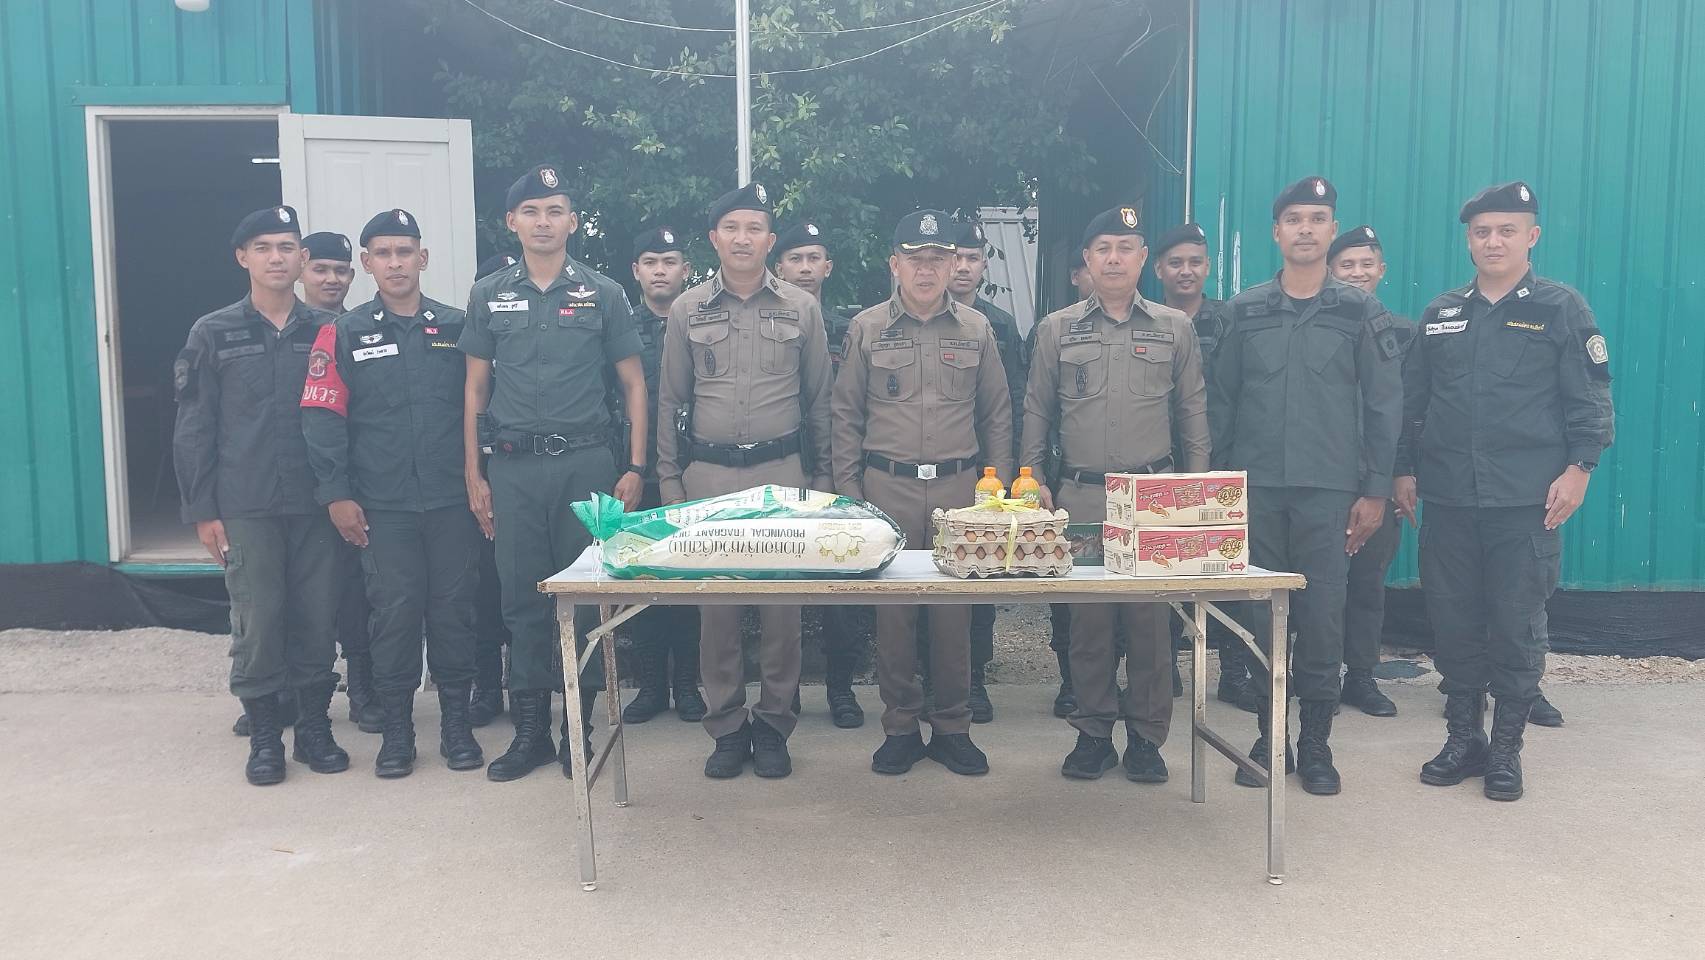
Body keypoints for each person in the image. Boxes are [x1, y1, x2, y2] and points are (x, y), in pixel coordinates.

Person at [1396, 181, 1614, 801]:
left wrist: (1581, 468)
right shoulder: (1441, 313)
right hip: (1449, 499)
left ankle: (1506, 750)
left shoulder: (1560, 308)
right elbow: (1413, 402)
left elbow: (1589, 395)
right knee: (1453, 621)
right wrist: (1402, 469)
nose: (1493, 241)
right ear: (1469, 239)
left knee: (1517, 625)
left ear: (1531, 237)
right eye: (1482, 231)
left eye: (1507, 230)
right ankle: (1464, 739)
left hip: (1526, 501)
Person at [1207, 177, 1403, 796]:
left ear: (1331, 229)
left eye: (1318, 219)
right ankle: (1270, 736)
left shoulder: (1359, 311)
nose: (1306, 229)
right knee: (1260, 614)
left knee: (1321, 617)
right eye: (1294, 219)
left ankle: (1316, 742)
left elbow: (1383, 404)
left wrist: (1375, 490)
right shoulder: (1245, 310)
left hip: (1330, 492)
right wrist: (1219, 488)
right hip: (1258, 490)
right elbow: (1221, 404)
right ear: (1277, 231)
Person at [459, 164, 650, 782]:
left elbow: (633, 383)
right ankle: (531, 733)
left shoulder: (604, 292)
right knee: (521, 600)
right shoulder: (489, 294)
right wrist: (474, 472)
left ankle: (578, 729)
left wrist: (636, 466)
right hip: (513, 469)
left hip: (585, 466)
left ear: (572, 221)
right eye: (531, 212)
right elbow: (475, 388)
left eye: (555, 211)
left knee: (587, 599)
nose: (543, 222)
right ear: (511, 221)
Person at [1023, 205, 1207, 782]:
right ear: (1087, 258)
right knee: (1089, 626)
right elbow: (1037, 410)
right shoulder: (1057, 329)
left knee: (1151, 626)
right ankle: (1093, 732)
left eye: (1125, 248)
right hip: (1080, 494)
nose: (1113, 258)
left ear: (1143, 258)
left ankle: (1148, 739)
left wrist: (1195, 491)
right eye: (1102, 248)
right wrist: (1033, 480)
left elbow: (1192, 413)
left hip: (1153, 496)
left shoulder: (1174, 327)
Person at [657, 182, 834, 779]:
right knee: (718, 614)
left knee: (783, 613)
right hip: (709, 476)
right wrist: (670, 484)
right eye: (731, 228)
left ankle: (775, 724)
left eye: (754, 228)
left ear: (769, 239)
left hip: (782, 474)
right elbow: (669, 403)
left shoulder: (801, 309)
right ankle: (727, 728)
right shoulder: (687, 309)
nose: (742, 238)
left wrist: (824, 483)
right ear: (714, 238)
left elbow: (820, 403)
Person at [299, 209, 484, 778]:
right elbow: (322, 418)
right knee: (395, 614)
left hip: (452, 501)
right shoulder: (344, 333)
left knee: (454, 612)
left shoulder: (458, 327)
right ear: (367, 263)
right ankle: (398, 732)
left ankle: (456, 726)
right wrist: (336, 494)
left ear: (422, 258)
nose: (396, 263)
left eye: (405, 252)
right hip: (383, 506)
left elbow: (484, 406)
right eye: (383, 253)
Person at [832, 210, 1012, 777]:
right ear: (895, 264)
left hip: (961, 489)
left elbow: (997, 415)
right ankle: (901, 728)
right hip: (888, 487)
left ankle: (954, 727)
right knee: (894, 619)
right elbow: (846, 416)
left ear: (954, 264)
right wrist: (849, 496)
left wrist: (998, 495)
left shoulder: (976, 329)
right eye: (916, 259)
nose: (927, 269)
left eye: (938, 258)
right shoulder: (867, 328)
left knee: (954, 618)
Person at [173, 206, 346, 785]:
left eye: (287, 246)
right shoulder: (213, 332)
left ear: (302, 258)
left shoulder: (328, 330)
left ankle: (314, 729)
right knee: (258, 618)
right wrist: (202, 510)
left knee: (317, 616)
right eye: (264, 247)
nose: (277, 257)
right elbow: (195, 426)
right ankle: (266, 736)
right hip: (245, 503)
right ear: (242, 257)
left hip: (316, 502)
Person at [1152, 222, 1254, 712]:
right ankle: (1165, 666)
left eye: (1195, 262)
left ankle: (1233, 672)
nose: (1186, 271)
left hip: (1221, 461)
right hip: (1161, 461)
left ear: (1208, 267)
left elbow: (1241, 390)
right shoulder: (1148, 320)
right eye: (1176, 263)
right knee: (1165, 565)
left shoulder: (1229, 320)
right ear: (1159, 269)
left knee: (1225, 568)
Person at [773, 219, 867, 729]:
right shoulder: (769, 321)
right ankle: (782, 694)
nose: (805, 268)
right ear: (778, 267)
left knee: (840, 586)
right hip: (784, 463)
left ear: (828, 267)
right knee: (777, 584)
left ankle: (841, 688)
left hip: (837, 467)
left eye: (814, 259)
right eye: (795, 259)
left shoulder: (851, 327)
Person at [616, 227, 708, 726]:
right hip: (635, 474)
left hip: (692, 471)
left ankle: (688, 686)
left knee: (690, 583)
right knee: (644, 580)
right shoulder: (619, 326)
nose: (659, 271)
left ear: (685, 270)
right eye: (650, 262)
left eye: (669, 261)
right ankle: (650, 687)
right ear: (635, 271)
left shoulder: (702, 321)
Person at [1326, 225, 1410, 718]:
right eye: (1347, 265)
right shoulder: (1318, 327)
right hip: (1324, 478)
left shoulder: (1402, 333)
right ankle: (1314, 675)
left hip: (1377, 478)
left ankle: (1360, 675)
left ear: (1382, 270)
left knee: (1367, 581)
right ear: (1331, 270)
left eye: (1366, 264)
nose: (1357, 273)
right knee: (1318, 585)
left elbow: (1409, 411)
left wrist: (1401, 473)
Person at [945, 219, 1027, 723]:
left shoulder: (1000, 325)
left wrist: (1011, 475)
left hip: (985, 474)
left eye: (972, 258)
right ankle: (929, 680)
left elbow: (1011, 404)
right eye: (954, 257)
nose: (961, 267)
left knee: (979, 573)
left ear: (983, 266)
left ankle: (974, 679)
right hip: (933, 464)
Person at [466, 254, 518, 728]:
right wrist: (474, 476)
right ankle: (486, 685)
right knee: (483, 589)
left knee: (525, 589)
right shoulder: (469, 342)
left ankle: (524, 685)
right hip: (478, 478)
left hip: (526, 473)